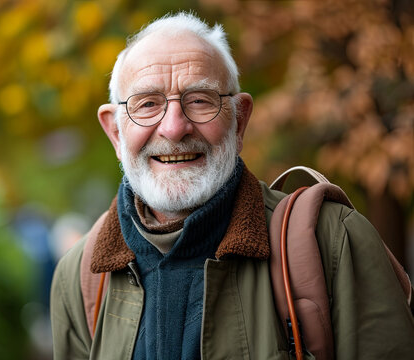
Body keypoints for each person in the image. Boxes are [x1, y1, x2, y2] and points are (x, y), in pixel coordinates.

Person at [50, 11, 414, 359]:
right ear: (115, 131)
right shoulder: (78, 276)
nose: (174, 128)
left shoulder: (335, 242)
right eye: (147, 104)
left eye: (199, 100)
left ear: (239, 121)